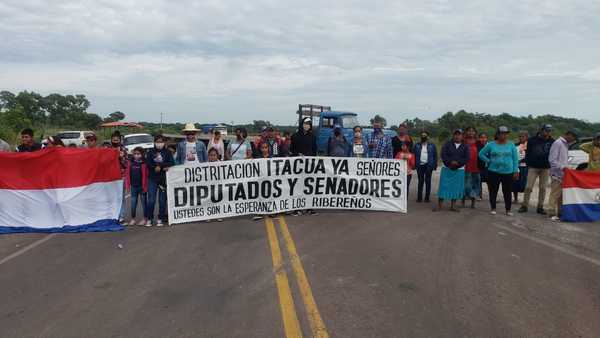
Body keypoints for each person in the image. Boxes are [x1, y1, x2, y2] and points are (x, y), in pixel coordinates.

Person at [479, 126, 519, 216]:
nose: (503, 135)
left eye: (505, 133)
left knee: (507, 191)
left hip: (508, 172)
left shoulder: (511, 145)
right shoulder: (491, 144)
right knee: (493, 190)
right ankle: (493, 208)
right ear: (497, 134)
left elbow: (515, 159)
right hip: (493, 171)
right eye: (501, 133)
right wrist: (488, 161)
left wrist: (515, 170)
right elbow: (481, 154)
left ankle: (508, 210)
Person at [518, 125, 555, 214]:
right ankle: (524, 205)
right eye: (546, 131)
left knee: (543, 188)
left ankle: (540, 207)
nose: (548, 133)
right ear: (541, 130)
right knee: (528, 187)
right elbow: (528, 153)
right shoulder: (532, 140)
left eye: (549, 131)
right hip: (533, 167)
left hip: (545, 167)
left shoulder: (552, 141)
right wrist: (528, 163)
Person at [434, 129, 469, 212]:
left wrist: (458, 163)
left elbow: (466, 158)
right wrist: (450, 162)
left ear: (462, 136)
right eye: (456, 134)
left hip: (459, 170)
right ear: (453, 135)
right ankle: (439, 206)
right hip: (447, 168)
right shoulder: (447, 144)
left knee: (456, 188)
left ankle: (453, 206)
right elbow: (443, 155)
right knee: (443, 187)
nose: (457, 136)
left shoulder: (465, 146)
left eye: (459, 134)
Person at [548, 129, 579, 221]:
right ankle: (551, 212)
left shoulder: (565, 144)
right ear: (568, 135)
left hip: (563, 174)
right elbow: (552, 160)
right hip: (557, 173)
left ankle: (560, 213)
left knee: (561, 195)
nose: (573, 140)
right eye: (573, 138)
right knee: (555, 193)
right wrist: (562, 167)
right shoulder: (558, 143)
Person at [290, 117, 318, 216]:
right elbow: (291, 150)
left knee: (309, 186)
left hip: (309, 166)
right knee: (297, 186)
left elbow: (314, 150)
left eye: (309, 124)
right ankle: (297, 208)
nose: (307, 125)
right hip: (297, 165)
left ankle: (309, 207)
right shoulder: (295, 136)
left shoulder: (312, 136)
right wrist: (297, 154)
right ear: (302, 124)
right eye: (306, 123)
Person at [146, 135, 175, 226]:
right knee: (151, 200)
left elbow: (171, 163)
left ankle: (160, 218)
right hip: (152, 179)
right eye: (157, 141)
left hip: (163, 179)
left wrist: (161, 166)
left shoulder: (167, 152)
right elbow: (148, 163)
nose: (159, 143)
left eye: (161, 141)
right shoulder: (150, 152)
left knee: (162, 200)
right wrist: (155, 167)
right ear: (154, 142)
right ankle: (149, 219)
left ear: (164, 142)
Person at [125, 147, 149, 226]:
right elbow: (127, 175)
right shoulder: (130, 163)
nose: (136, 155)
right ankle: (133, 219)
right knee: (133, 204)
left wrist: (145, 187)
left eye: (138, 154)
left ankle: (145, 219)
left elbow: (146, 176)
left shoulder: (144, 164)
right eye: (135, 154)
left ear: (142, 154)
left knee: (144, 204)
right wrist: (128, 186)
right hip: (134, 187)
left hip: (142, 187)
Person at [414, 131, 437, 203]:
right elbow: (413, 155)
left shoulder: (432, 145)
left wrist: (435, 165)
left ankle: (427, 198)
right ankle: (419, 198)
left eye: (425, 135)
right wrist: (414, 164)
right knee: (420, 181)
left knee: (428, 182)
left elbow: (435, 156)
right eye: (422, 135)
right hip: (420, 165)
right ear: (420, 137)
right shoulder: (416, 145)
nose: (423, 137)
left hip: (429, 165)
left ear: (428, 137)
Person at [111, 131, 129, 222]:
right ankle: (112, 215)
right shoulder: (108, 149)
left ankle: (121, 215)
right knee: (111, 196)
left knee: (121, 196)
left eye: (117, 138)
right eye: (113, 138)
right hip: (109, 177)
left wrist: (121, 157)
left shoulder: (124, 149)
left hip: (121, 176)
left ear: (120, 139)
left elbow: (126, 164)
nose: (115, 139)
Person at [462, 128, 481, 209]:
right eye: (469, 131)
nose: (471, 132)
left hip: (476, 167)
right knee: (465, 185)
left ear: (475, 132)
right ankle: (463, 200)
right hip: (465, 166)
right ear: (466, 132)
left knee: (475, 184)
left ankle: (473, 203)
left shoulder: (478, 142)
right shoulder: (463, 141)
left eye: (473, 131)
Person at [512, 130, 529, 203]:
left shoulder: (529, 146)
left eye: (523, 136)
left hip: (525, 167)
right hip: (516, 167)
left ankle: (525, 200)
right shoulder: (515, 145)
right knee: (515, 182)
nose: (521, 138)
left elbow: (530, 156)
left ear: (527, 137)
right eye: (520, 136)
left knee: (525, 184)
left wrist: (522, 160)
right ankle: (515, 199)